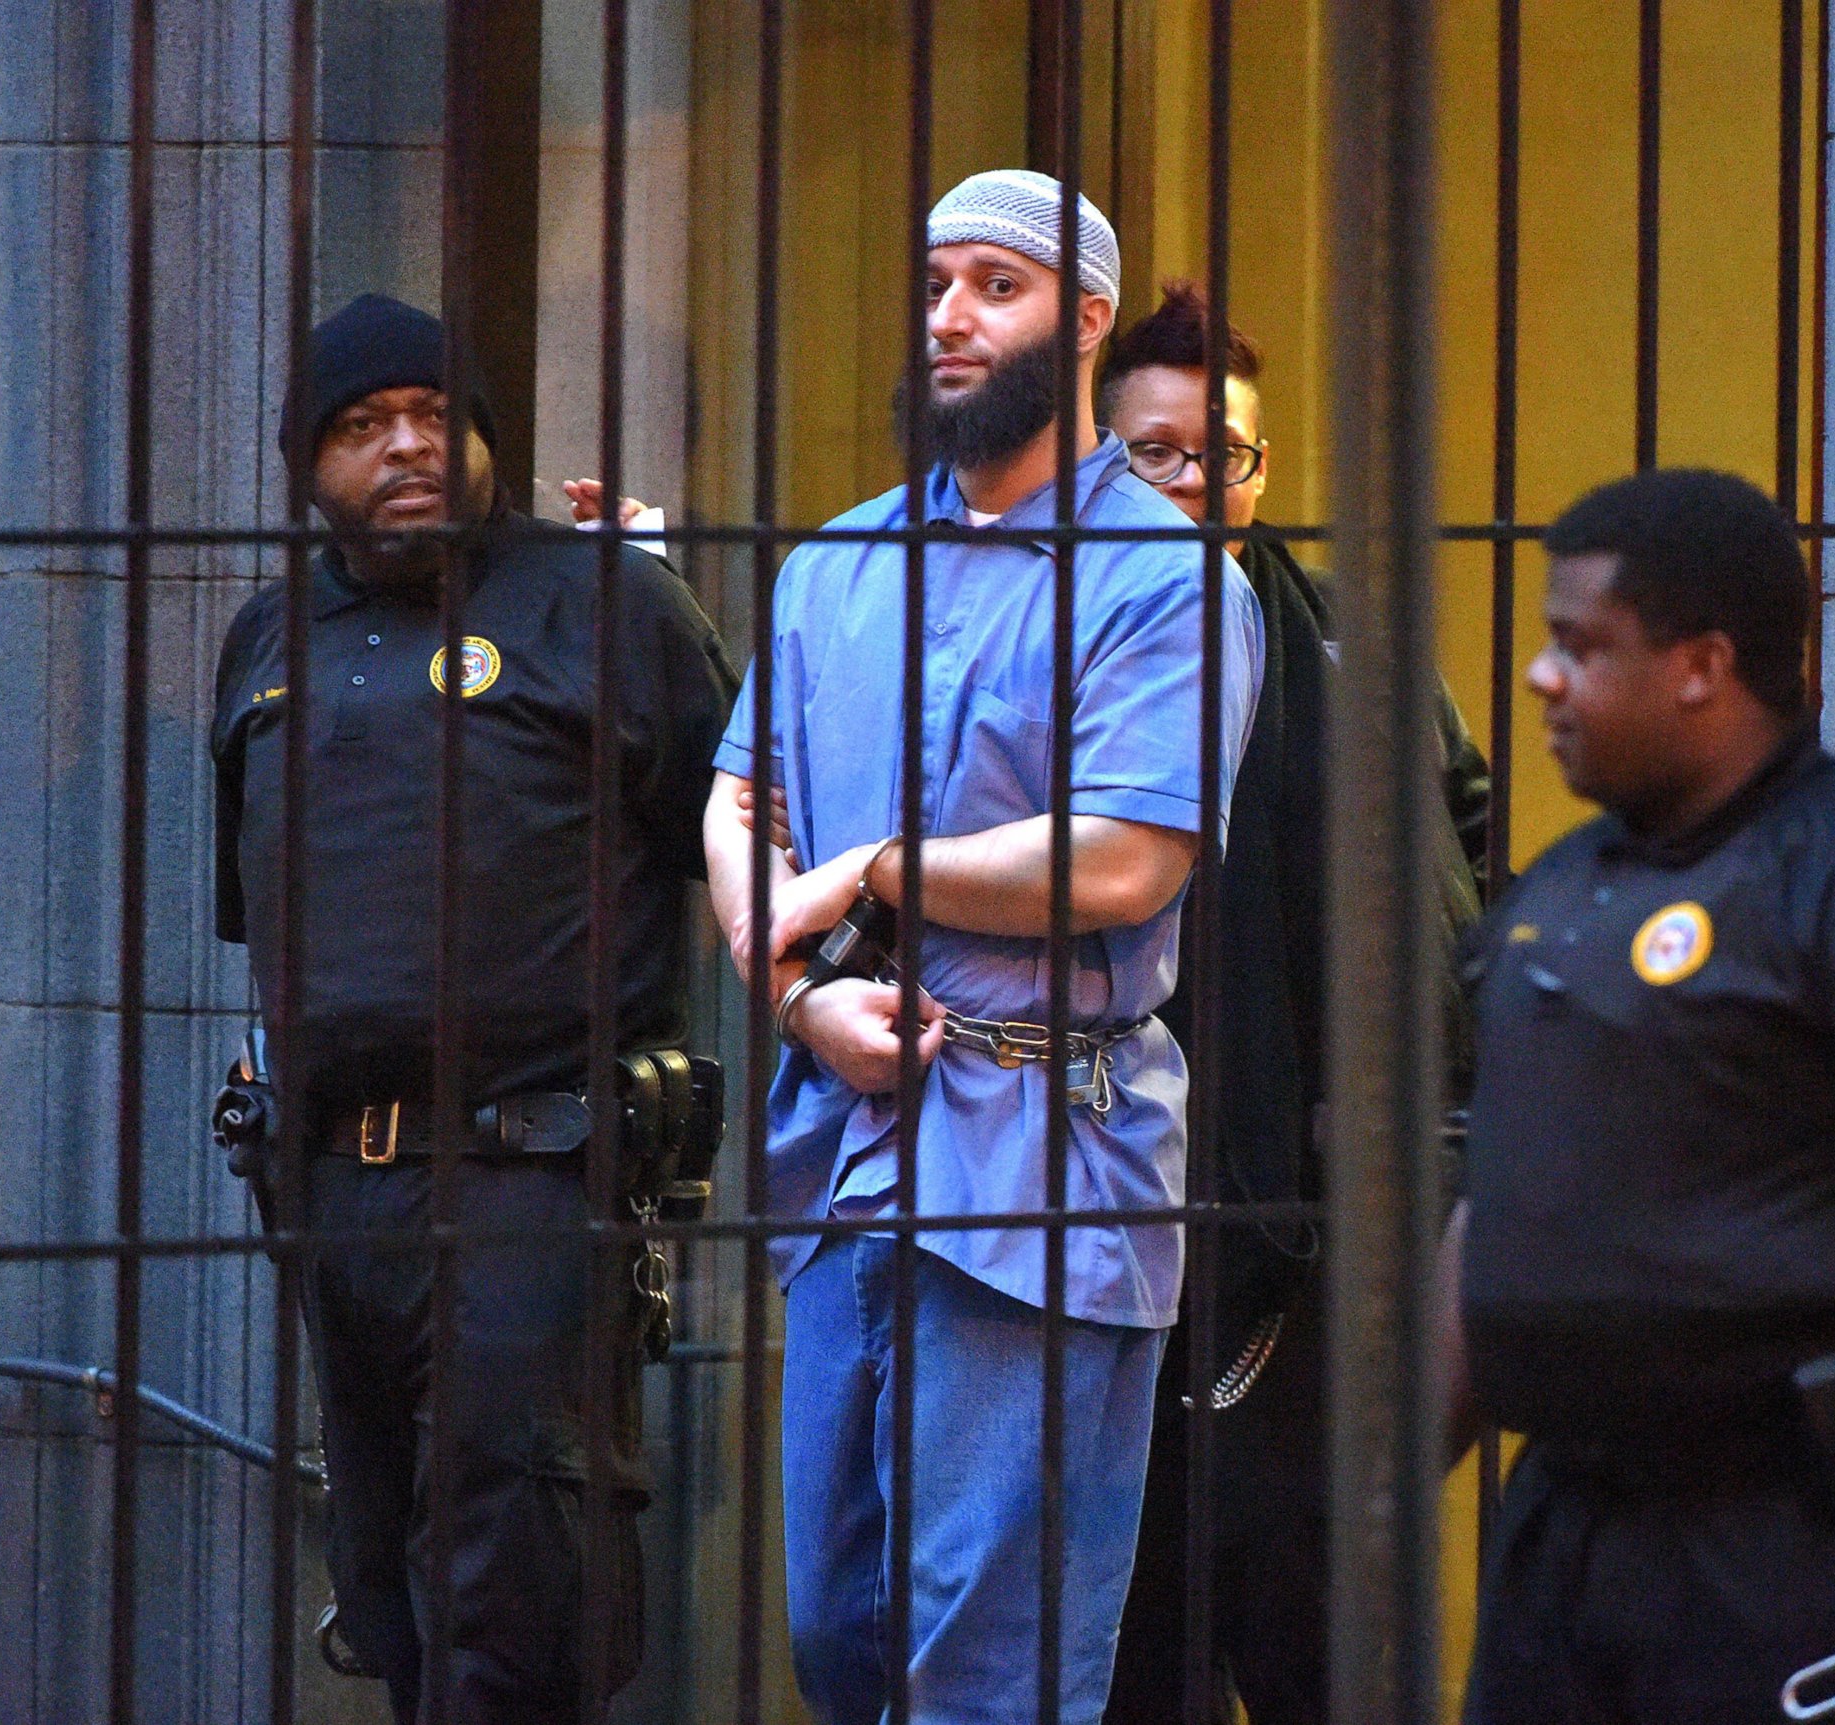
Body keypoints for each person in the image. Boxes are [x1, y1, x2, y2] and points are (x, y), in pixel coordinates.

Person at [704, 170, 1263, 1724]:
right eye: (937, 280)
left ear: (1085, 319)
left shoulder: (1167, 579)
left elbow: (1125, 855)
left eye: (994, 286)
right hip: (850, 1147)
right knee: (833, 1629)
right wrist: (798, 992)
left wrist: (876, 869)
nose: (951, 315)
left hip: (1048, 1164)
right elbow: (740, 795)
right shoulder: (837, 561)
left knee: (989, 1667)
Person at [1437, 469, 1835, 1724]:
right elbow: (1499, 1203)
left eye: (1580, 647)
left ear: (1701, 664)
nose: (1540, 680)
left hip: (1786, 1539)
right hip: (1566, 1530)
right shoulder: (1564, 887)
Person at [209, 293, 735, 1724]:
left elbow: (758, 844)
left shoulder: (605, 603)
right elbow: (266, 925)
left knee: (518, 1614)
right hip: (334, 1194)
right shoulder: (267, 637)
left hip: (534, 1179)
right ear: (306, 462)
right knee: (390, 1604)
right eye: (363, 426)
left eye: (437, 415)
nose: (406, 446)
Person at [1094, 279, 1488, 1724]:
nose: (1201, 480)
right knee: (1132, 1652)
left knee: (1326, 1642)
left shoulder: (1347, 652)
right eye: (1160, 451)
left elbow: (1462, 851)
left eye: (1229, 452)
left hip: (1323, 1249)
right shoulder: (1050, 643)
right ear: (1098, 459)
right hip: (1101, 1217)